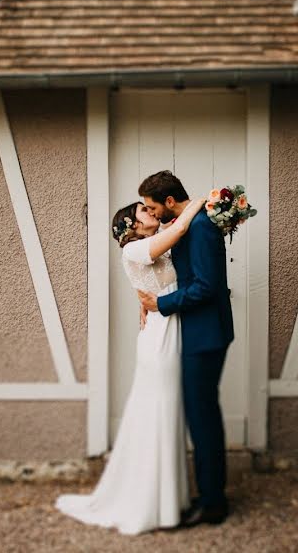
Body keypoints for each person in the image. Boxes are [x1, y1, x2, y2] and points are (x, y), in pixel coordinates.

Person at [54, 196, 206, 535]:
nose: (150, 211)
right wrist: (203, 201)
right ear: (132, 225)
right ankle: (150, 503)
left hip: (170, 324)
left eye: (150, 208)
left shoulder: (152, 244)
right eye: (143, 210)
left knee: (167, 413)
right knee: (160, 410)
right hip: (159, 338)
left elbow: (167, 265)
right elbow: (180, 227)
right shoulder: (132, 250)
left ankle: (168, 502)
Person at [137, 170, 234, 527]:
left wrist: (160, 305)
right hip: (196, 333)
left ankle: (213, 503)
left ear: (169, 202)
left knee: (202, 416)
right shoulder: (187, 224)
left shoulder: (202, 228)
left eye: (152, 207)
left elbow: (207, 287)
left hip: (205, 335)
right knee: (200, 414)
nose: (151, 213)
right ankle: (209, 492)